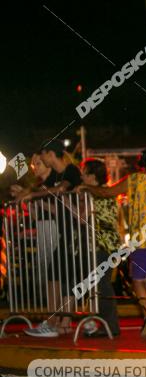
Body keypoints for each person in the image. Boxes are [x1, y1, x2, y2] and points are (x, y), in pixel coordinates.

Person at [79, 147, 146, 339]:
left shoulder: (133, 180)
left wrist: (88, 188)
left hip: (140, 240)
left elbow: (108, 192)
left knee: (139, 280)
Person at [22, 140, 84, 338]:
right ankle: (56, 320)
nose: (41, 160)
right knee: (57, 275)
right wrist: (31, 199)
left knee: (67, 276)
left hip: (77, 233)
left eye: (43, 156)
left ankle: (61, 321)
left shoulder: (71, 171)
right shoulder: (55, 176)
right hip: (63, 231)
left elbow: (61, 191)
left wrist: (32, 196)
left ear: (51, 154)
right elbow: (56, 204)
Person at [80, 159, 121, 338]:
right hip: (102, 244)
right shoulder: (98, 193)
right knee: (98, 284)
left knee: (102, 285)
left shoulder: (102, 194)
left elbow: (100, 219)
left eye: (84, 172)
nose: (82, 176)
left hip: (104, 244)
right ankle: (105, 323)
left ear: (92, 176)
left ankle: (110, 325)